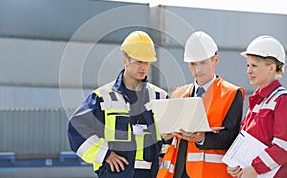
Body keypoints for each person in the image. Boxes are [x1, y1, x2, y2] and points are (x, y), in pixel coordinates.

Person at [67, 31, 168, 178]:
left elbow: (170, 138)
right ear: (125, 60)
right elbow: (76, 129)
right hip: (115, 174)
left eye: (147, 62)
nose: (144, 67)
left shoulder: (160, 97)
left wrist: (163, 157)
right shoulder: (103, 98)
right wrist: (105, 154)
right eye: (139, 61)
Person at [158, 31, 245, 178]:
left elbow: (231, 137)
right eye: (193, 64)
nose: (198, 70)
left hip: (209, 174)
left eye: (203, 62)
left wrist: (202, 138)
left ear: (215, 60)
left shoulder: (231, 93)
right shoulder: (178, 93)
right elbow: (170, 140)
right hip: (177, 172)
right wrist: (165, 135)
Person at [227, 35, 287, 178]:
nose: (249, 71)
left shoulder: (282, 100)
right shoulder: (257, 101)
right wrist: (235, 165)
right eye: (248, 65)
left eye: (254, 65)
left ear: (271, 68)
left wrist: (255, 168)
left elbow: (283, 146)